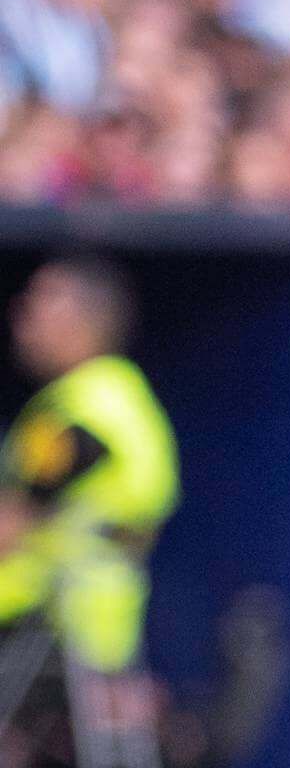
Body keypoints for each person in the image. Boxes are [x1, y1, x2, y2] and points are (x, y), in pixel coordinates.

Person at [0, 259, 178, 683]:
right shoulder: (119, 395)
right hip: (89, 631)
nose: (22, 315)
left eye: (41, 303)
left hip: (48, 627)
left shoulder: (87, 409)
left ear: (80, 321)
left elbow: (11, 523)